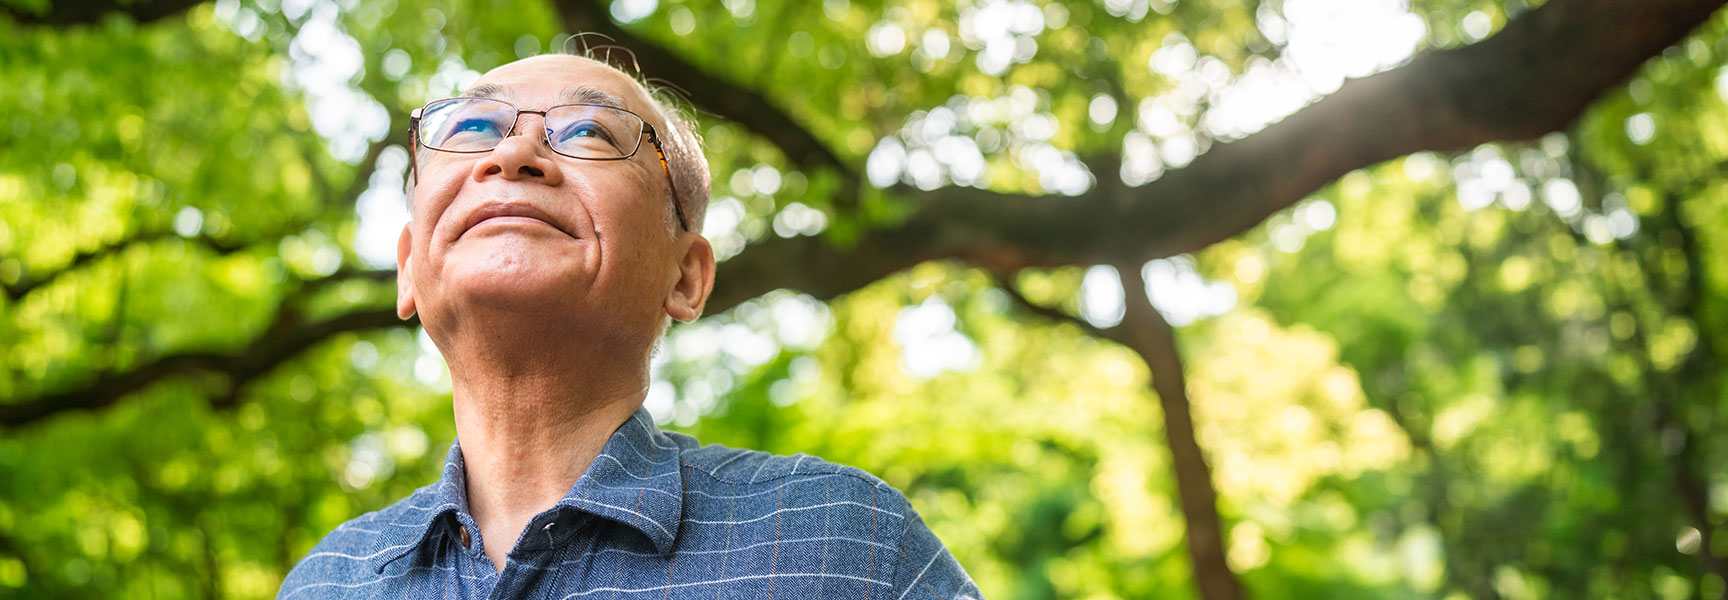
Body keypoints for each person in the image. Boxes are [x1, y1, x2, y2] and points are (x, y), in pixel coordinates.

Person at [276, 52, 982, 598]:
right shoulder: (327, 581)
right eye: (471, 127)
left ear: (687, 277)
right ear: (408, 268)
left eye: (587, 131)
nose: (513, 155)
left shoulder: (849, 546)